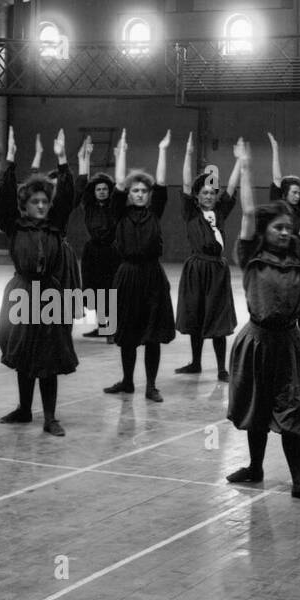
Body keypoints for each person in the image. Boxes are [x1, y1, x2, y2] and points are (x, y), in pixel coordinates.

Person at [225, 144, 300, 501]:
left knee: (292, 411)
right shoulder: (250, 255)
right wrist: (246, 167)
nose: (285, 232)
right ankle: (255, 467)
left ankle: (299, 481)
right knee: (258, 408)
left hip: (289, 343)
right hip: (256, 342)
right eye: (278, 228)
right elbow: (249, 212)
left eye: (288, 228)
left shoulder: (297, 253)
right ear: (265, 231)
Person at [0, 127, 79, 436]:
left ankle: (50, 417)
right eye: (35, 202)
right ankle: (24, 409)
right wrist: (11, 162)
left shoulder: (56, 226)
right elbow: (2, 202)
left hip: (49, 295)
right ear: (26, 204)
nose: (41, 206)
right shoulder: (14, 226)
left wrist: (63, 160)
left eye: (45, 201)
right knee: (24, 353)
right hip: (21, 292)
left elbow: (67, 197)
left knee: (49, 356)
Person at [103, 129, 176, 401]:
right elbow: (119, 184)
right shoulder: (119, 213)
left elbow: (162, 184)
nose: (140, 194)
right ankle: (127, 381)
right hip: (127, 275)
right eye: (136, 190)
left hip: (152, 276)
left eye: (144, 191)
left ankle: (151, 385)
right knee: (127, 333)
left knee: (152, 334)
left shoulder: (154, 213)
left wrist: (162, 150)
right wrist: (121, 151)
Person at [174, 133, 240, 382]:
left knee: (218, 318)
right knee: (196, 315)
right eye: (204, 193)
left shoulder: (220, 212)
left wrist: (239, 163)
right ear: (197, 196)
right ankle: (196, 363)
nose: (209, 196)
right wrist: (189, 154)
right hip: (196, 269)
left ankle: (222, 368)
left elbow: (232, 189)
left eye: (212, 193)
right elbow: (184, 184)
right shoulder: (191, 213)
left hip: (217, 271)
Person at [270, 132, 300, 346]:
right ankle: (284, 346)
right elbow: (276, 178)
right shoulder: (278, 208)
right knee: (284, 308)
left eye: (299, 193)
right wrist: (275, 150)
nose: (298, 195)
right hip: (284, 263)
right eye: (294, 192)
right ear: (284, 193)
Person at [76, 134, 119, 339]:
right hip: (93, 252)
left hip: (112, 251)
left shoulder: (115, 206)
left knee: (111, 288)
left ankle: (111, 329)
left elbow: (120, 187)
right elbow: (84, 182)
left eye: (104, 189)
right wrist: (86, 157)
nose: (101, 191)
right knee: (94, 288)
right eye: (98, 189)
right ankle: (101, 326)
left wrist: (119, 158)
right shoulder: (89, 206)